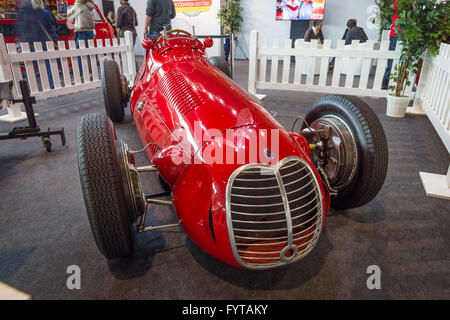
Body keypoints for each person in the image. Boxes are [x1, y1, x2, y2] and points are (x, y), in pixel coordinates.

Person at [19, 0, 58, 89]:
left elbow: (24, 29)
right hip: (45, 42)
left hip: (32, 43)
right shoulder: (45, 13)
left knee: (30, 66)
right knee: (48, 65)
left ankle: (31, 87)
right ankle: (51, 86)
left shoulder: (26, 13)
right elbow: (53, 24)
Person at [382, 0, 400, 90]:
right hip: (396, 34)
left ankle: (396, 85)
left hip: (407, 34)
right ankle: (385, 83)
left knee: (401, 62)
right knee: (391, 61)